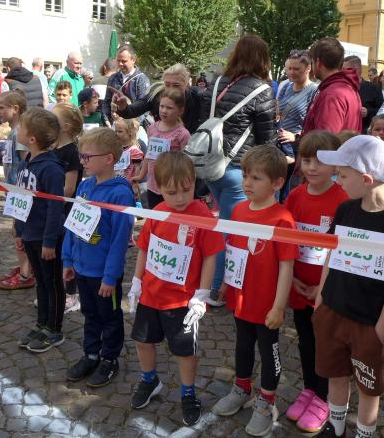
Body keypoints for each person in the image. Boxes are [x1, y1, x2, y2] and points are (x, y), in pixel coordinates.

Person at [311, 135, 384, 438]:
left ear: (367, 180)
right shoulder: (345, 210)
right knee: (335, 374)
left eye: (343, 175)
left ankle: (364, 433)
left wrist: (380, 331)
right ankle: (335, 426)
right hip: (332, 312)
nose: (337, 181)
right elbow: (331, 254)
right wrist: (320, 301)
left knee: (368, 387)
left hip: (368, 324)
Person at [126, 152, 224, 426]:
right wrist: (136, 281)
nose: (180, 198)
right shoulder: (157, 212)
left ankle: (188, 393)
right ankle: (150, 380)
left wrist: (202, 295)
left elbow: (210, 257)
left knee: (184, 351)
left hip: (182, 301)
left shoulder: (201, 214)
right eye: (171, 192)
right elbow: (144, 248)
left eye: (186, 190)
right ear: (159, 188)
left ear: (194, 182)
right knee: (143, 340)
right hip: (151, 294)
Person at [212, 145, 297, 437]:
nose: (247, 183)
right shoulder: (238, 210)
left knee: (268, 349)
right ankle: (241, 388)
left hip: (266, 303)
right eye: (246, 176)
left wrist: (279, 306)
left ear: (277, 183)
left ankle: (266, 401)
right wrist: (226, 282)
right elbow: (233, 250)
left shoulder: (283, 219)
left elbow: (287, 266)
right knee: (243, 344)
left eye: (256, 178)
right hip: (241, 297)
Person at [197, 35, 276, 306]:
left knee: (223, 224)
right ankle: (215, 289)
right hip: (239, 171)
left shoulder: (217, 82)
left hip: (212, 167)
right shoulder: (262, 90)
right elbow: (267, 139)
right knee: (229, 232)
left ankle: (214, 282)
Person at [282, 131, 348, 433]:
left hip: (328, 291)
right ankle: (309, 388)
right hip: (299, 286)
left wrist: (323, 287)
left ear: (335, 164)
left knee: (326, 345)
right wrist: (292, 280)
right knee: (306, 341)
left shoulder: (344, 201)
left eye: (320, 161)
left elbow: (343, 252)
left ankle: (324, 397)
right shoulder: (295, 196)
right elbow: (286, 241)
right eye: (306, 160)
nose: (311, 167)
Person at [63, 128, 135, 387]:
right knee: (90, 314)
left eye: (87, 157)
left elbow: (119, 241)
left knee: (110, 317)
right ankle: (91, 354)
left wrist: (110, 277)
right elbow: (73, 226)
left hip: (104, 274)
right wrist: (68, 260)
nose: (82, 161)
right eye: (81, 156)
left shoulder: (120, 194)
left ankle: (109, 359)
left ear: (108, 159)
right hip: (82, 268)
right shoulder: (84, 187)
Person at [10, 108, 66, 354]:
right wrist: (18, 231)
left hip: (46, 237)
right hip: (30, 234)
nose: (18, 130)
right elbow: (20, 199)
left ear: (32, 138)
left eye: (21, 128)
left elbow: (55, 208)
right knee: (41, 282)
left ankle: (54, 329)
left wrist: (49, 241)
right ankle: (42, 323)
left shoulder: (51, 169)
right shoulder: (27, 162)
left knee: (52, 283)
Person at [0, 91, 36, 291]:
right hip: (14, 189)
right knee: (18, 231)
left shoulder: (19, 133)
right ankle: (25, 266)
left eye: (2, 107)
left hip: (20, 192)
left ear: (15, 109)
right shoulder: (13, 131)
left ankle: (26, 274)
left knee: (19, 231)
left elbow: (28, 161)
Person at [50, 102, 84, 313]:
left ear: (66, 126)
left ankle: (72, 294)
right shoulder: (52, 148)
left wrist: (49, 201)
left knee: (67, 251)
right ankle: (58, 292)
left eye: (54, 119)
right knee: (55, 250)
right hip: (53, 208)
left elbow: (69, 188)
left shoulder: (72, 151)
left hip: (66, 210)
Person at [133, 88, 190, 209]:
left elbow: (186, 164)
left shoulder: (182, 134)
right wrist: (141, 175)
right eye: (162, 106)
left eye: (169, 108)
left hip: (171, 186)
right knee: (154, 215)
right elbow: (149, 154)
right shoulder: (152, 128)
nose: (164, 111)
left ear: (180, 111)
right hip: (152, 184)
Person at [276, 50, 318, 200]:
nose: (291, 72)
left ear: (308, 68)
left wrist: (295, 136)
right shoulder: (286, 86)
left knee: (289, 191)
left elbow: (314, 123)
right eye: (289, 68)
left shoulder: (315, 91)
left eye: (296, 69)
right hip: (280, 144)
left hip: (298, 148)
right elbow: (278, 109)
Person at [115, 63, 202, 134]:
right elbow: (132, 111)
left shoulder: (197, 98)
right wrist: (123, 107)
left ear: (186, 84)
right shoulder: (156, 95)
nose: (171, 89)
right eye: (167, 85)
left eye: (176, 85)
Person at [302, 38, 362, 136]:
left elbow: (326, 140)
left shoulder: (332, 94)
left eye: (312, 62)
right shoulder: (347, 87)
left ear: (318, 62)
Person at [104, 46, 151, 125]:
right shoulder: (113, 78)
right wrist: (107, 119)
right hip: (115, 125)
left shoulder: (141, 79)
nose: (120, 64)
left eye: (124, 61)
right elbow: (107, 101)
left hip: (133, 127)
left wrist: (132, 124)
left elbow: (144, 107)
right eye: (118, 60)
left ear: (133, 60)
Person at [343, 56, 383, 133]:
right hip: (345, 133)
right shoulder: (341, 88)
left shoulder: (373, 88)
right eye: (342, 70)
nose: (343, 73)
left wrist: (368, 111)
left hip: (365, 132)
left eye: (346, 70)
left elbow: (382, 110)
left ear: (357, 70)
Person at [113, 117, 144, 195]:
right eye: (115, 131)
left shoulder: (134, 151)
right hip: (115, 183)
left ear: (130, 132)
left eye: (120, 131)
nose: (117, 134)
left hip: (128, 186)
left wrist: (135, 184)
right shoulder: (115, 148)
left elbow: (137, 169)